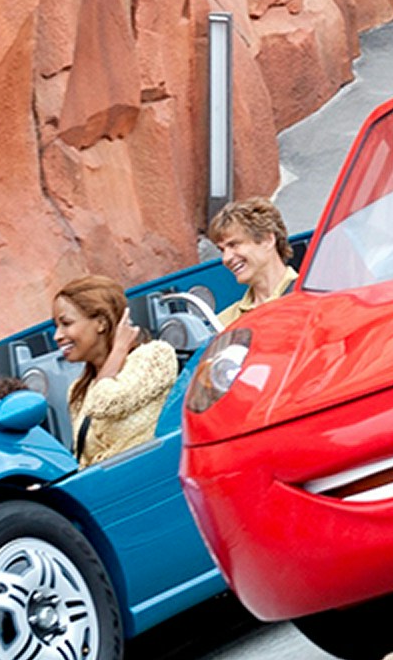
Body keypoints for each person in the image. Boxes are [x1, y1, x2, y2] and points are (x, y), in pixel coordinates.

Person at [52, 273, 178, 467]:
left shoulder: (155, 356)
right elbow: (85, 463)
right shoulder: (78, 390)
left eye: (66, 323)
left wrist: (119, 348)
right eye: (56, 326)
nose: (57, 336)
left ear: (101, 323)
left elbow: (105, 402)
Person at [207, 197, 297, 324]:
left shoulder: (312, 297)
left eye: (234, 245)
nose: (226, 259)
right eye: (222, 250)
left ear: (267, 240)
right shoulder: (225, 323)